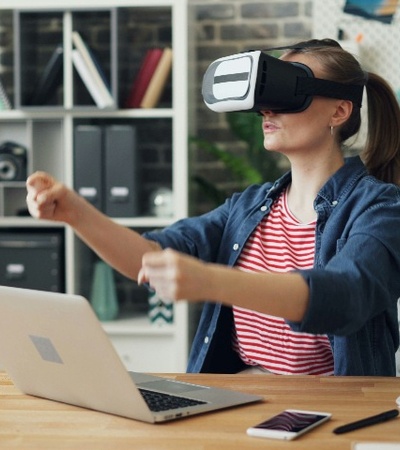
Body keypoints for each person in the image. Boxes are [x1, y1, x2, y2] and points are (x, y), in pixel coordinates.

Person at [26, 39, 400, 376]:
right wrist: (74, 212)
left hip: (339, 416)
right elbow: (151, 257)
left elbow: (346, 296)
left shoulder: (379, 208)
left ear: (339, 112)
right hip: (246, 402)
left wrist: (211, 280)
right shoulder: (251, 207)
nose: (267, 109)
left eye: (289, 91)